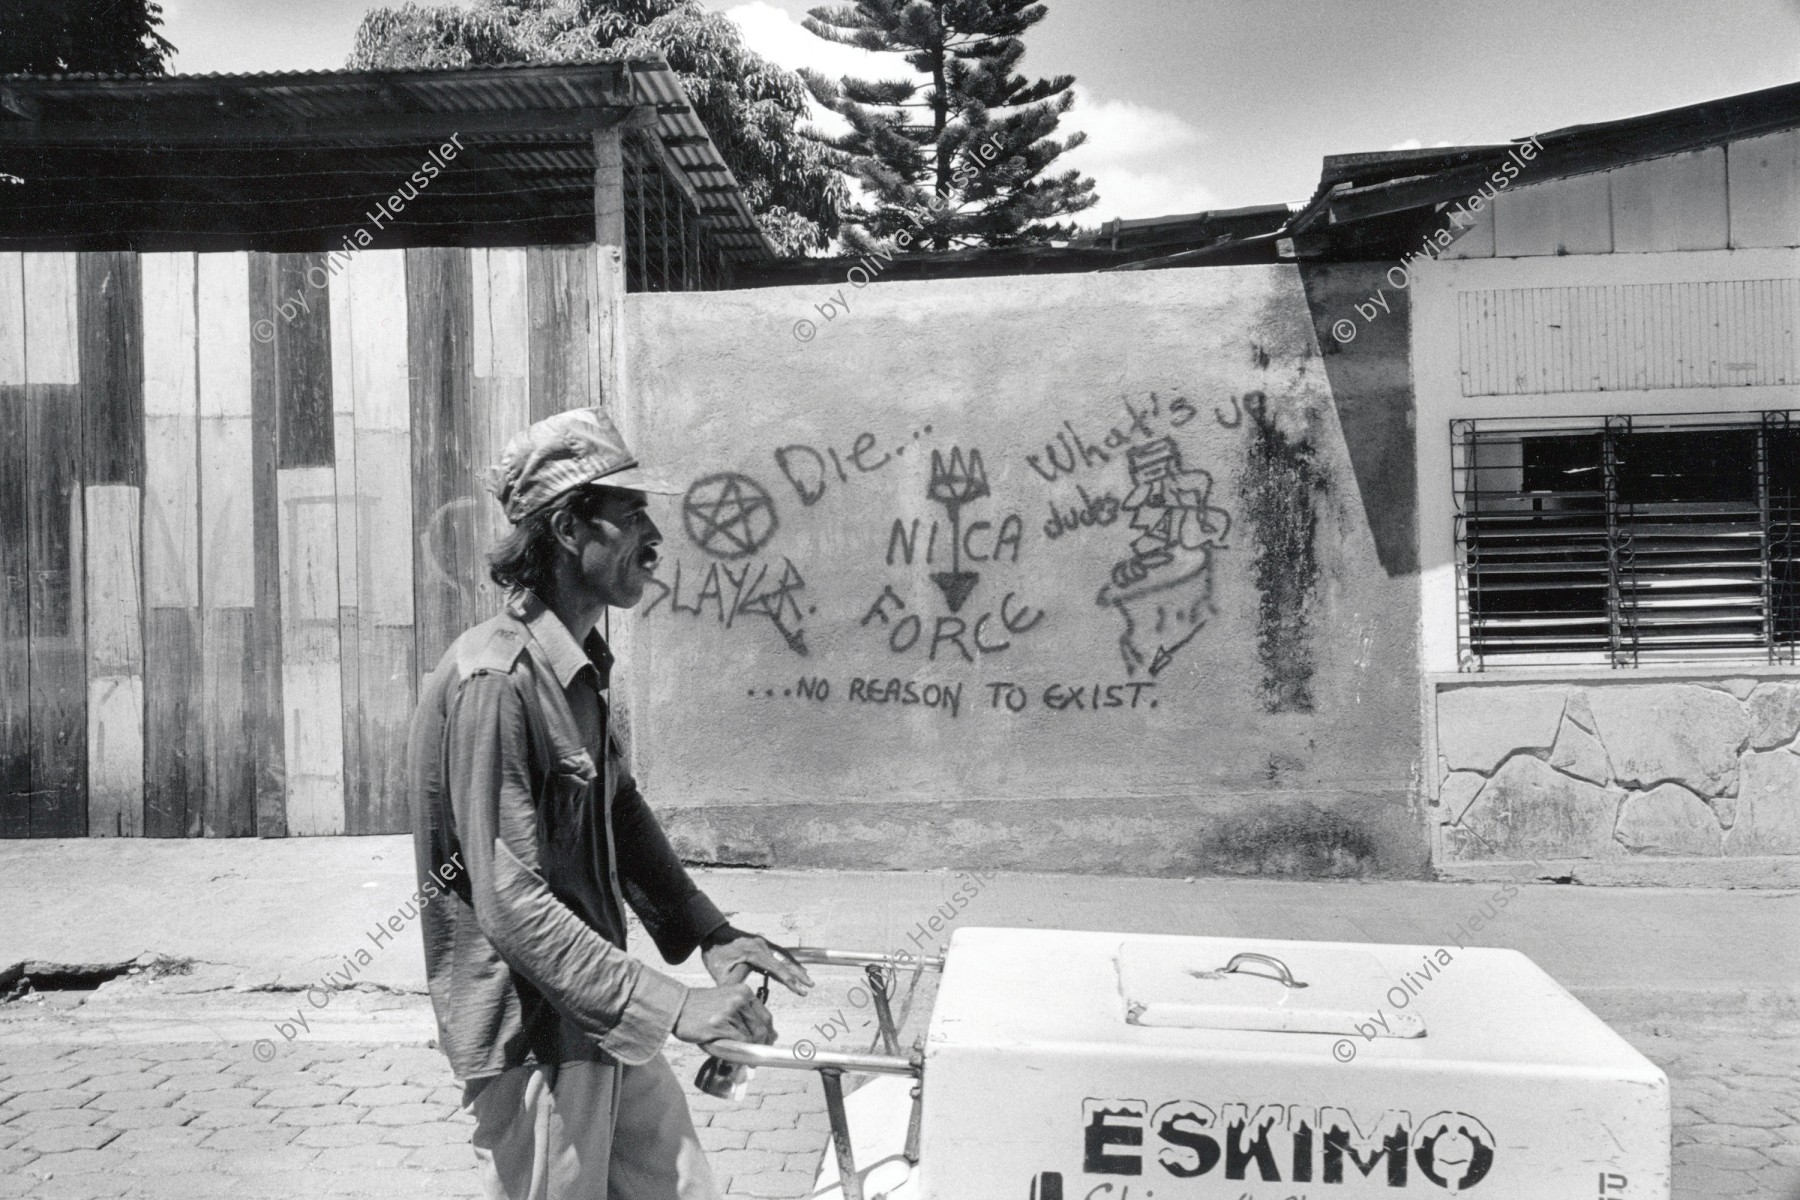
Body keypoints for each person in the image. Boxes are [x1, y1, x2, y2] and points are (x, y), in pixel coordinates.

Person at [407, 406, 813, 1200]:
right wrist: (673, 1007)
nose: (653, 536)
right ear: (566, 529)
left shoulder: (576, 665)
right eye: (629, 514)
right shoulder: (497, 683)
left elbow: (617, 812)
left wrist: (711, 934)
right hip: (539, 1036)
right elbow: (510, 900)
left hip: (601, 1015)